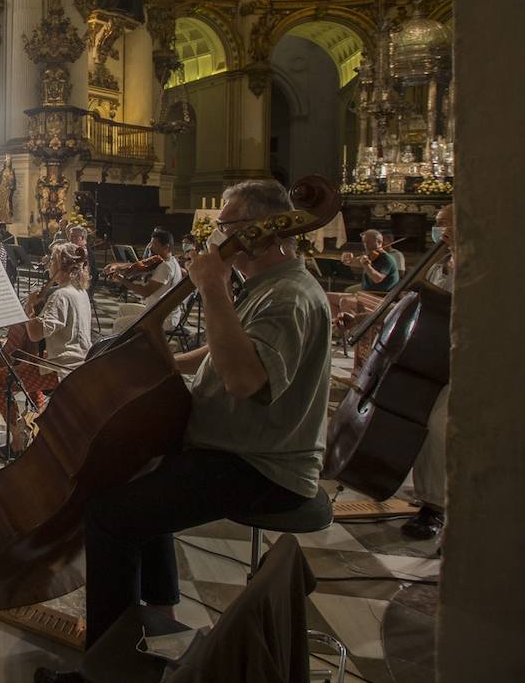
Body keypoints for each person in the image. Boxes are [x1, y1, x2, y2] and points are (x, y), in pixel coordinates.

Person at [40, 181, 332, 673]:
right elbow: (224, 347)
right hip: (234, 448)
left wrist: (213, 286)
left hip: (261, 465)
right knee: (140, 476)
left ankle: (110, 669)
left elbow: (243, 379)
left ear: (261, 231)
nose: (217, 239)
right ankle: (159, 616)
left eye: (226, 227)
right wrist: (166, 362)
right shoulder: (269, 287)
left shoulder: (288, 297)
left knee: (109, 517)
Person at [0, 242, 92, 450]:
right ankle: (36, 421)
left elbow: (34, 334)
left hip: (62, 368)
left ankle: (18, 439)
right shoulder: (80, 291)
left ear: (63, 266)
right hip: (78, 361)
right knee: (29, 368)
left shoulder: (60, 295)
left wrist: (30, 307)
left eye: (53, 261)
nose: (49, 265)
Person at [402, 204, 454, 540]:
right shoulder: (437, 266)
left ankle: (437, 506)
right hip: (430, 356)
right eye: (437, 225)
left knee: (437, 426)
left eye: (445, 224)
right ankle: (428, 496)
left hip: (456, 360)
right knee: (423, 424)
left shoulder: (478, 266)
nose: (440, 231)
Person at [103, 227, 182, 310]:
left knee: (121, 317)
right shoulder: (168, 260)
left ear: (166, 247)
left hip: (159, 313)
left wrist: (121, 279)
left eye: (154, 244)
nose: (150, 247)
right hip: (153, 308)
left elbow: (145, 292)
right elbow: (140, 264)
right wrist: (117, 266)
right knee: (123, 309)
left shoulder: (166, 267)